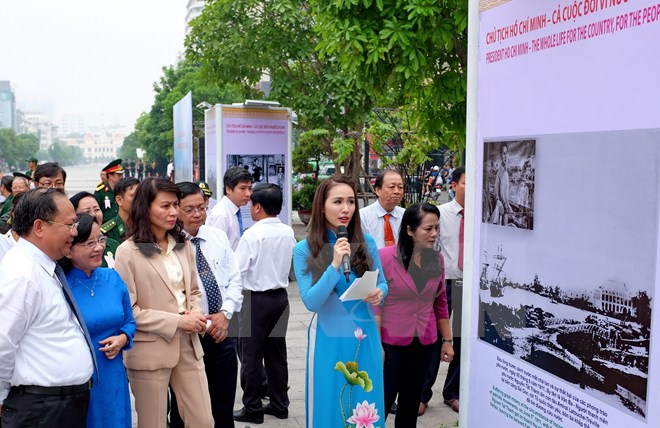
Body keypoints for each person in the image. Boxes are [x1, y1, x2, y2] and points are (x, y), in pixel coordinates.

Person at [114, 178, 213, 428]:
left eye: (175, 205)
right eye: (165, 206)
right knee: (153, 423)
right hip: (150, 349)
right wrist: (178, 321)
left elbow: (193, 291)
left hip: (189, 343)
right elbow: (130, 311)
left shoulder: (182, 244)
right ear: (145, 207)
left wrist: (196, 314)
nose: (173, 212)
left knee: (203, 421)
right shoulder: (128, 251)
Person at [293, 174, 388, 428]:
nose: (346, 209)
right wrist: (334, 265)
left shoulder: (366, 243)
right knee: (329, 404)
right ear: (321, 206)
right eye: (337, 202)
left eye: (351, 201)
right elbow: (311, 301)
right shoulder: (304, 249)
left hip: (364, 335)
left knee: (366, 403)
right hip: (328, 338)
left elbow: (382, 282)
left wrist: (379, 293)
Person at [0, 188, 95, 428]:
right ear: (39, 227)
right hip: (40, 409)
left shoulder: (42, 266)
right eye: (69, 225)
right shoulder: (22, 274)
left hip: (59, 406)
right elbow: (2, 343)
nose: (75, 232)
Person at [170, 182, 243, 428]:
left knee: (223, 404)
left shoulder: (217, 237)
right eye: (189, 209)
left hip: (222, 332)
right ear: (175, 209)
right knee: (185, 409)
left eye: (201, 208)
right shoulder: (168, 245)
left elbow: (235, 279)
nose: (197, 214)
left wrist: (225, 313)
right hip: (188, 336)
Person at [377, 203, 454, 426]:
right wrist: (376, 343)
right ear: (410, 230)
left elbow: (440, 302)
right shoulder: (385, 257)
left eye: (437, 228)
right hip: (392, 343)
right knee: (381, 402)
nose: (434, 234)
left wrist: (447, 340)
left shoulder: (437, 259)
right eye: (428, 229)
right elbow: (374, 305)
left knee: (410, 405)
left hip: (424, 342)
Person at [60, 213, 136, 428]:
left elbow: (129, 322)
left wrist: (123, 338)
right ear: (69, 249)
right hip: (78, 379)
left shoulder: (112, 277)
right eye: (89, 243)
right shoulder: (60, 286)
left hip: (113, 374)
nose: (99, 248)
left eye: (101, 240)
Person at [233, 183, 295, 423]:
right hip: (280, 299)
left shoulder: (253, 234)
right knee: (277, 354)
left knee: (251, 355)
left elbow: (238, 271)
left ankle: (253, 407)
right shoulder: (288, 232)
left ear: (257, 207)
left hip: (255, 301)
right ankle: (280, 404)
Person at [422, 166, 466, 414]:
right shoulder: (441, 214)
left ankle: (453, 392)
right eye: (465, 183)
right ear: (454, 185)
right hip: (443, 283)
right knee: (434, 338)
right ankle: (422, 395)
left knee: (461, 339)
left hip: (467, 285)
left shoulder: (482, 215)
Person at [70, 191, 120, 269]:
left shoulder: (114, 245)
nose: (94, 215)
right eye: (86, 212)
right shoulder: (71, 246)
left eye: (96, 209)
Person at [207, 167, 253, 250]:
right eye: (243, 188)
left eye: (250, 188)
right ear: (228, 189)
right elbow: (215, 249)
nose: (248, 194)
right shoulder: (221, 215)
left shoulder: (234, 210)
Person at [360, 170, 405, 249]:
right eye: (391, 187)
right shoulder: (363, 216)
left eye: (400, 187)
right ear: (378, 190)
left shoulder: (405, 215)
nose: (397, 191)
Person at [101, 177, 139, 243]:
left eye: (142, 195)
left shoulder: (149, 227)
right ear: (119, 200)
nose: (140, 199)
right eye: (134, 196)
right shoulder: (106, 233)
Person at [491, 143, 512, 225]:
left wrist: (507, 204)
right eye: (503, 154)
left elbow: (506, 192)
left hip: (506, 209)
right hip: (502, 210)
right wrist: (500, 203)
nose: (505, 156)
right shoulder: (499, 173)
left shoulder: (506, 172)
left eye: (506, 153)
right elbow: (496, 193)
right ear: (500, 156)